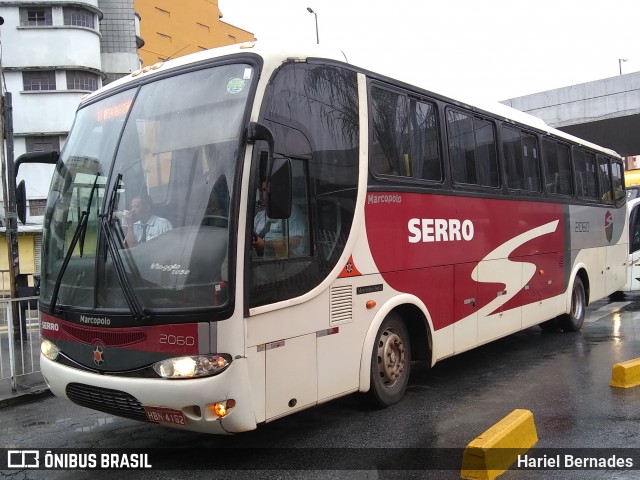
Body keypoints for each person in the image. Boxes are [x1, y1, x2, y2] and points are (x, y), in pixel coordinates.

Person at [252, 181, 308, 259]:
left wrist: (265, 244)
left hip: (288, 261)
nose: (266, 193)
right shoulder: (260, 216)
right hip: (261, 259)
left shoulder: (292, 211)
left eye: (270, 189)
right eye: (264, 190)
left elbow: (295, 242)